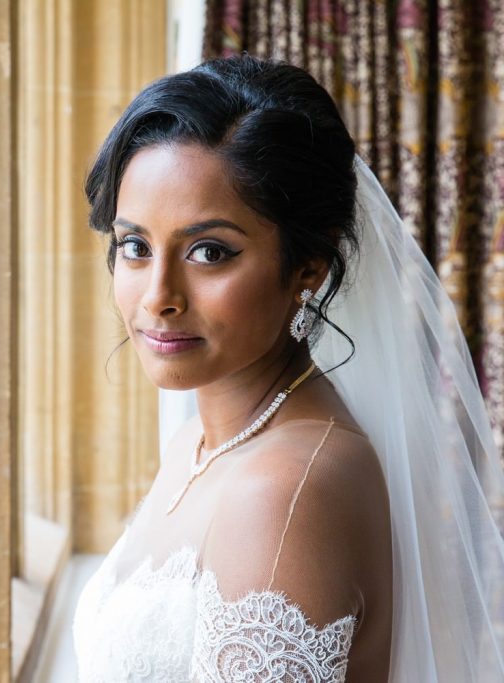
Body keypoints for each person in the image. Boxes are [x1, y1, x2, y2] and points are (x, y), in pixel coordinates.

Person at [71, 54, 504, 682]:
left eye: (208, 252)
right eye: (134, 246)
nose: (157, 294)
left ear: (309, 269)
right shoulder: (199, 442)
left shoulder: (283, 494)